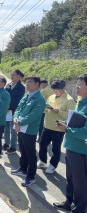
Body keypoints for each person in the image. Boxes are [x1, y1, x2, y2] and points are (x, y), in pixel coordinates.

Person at [53, 74, 87, 213]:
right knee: (70, 179)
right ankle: (69, 202)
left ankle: (79, 209)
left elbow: (85, 131)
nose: (77, 86)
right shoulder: (81, 102)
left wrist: (67, 129)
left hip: (80, 150)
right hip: (71, 147)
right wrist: (65, 124)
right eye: (77, 83)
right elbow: (75, 122)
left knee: (80, 183)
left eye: (80, 84)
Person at [11, 75, 46, 187]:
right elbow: (18, 109)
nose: (27, 84)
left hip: (29, 130)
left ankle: (31, 176)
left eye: (30, 82)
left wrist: (18, 123)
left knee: (30, 153)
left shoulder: (40, 99)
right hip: (20, 128)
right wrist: (15, 118)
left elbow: (33, 116)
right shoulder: (26, 96)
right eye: (26, 82)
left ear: (37, 84)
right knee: (22, 150)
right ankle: (23, 169)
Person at [38, 78, 76, 174]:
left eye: (58, 90)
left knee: (55, 148)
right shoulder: (51, 96)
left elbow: (70, 116)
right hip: (47, 125)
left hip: (58, 128)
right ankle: (42, 160)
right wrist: (45, 108)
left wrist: (58, 111)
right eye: (54, 90)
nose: (55, 92)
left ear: (64, 88)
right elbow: (46, 110)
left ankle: (53, 165)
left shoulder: (69, 100)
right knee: (42, 144)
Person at [3, 69, 25, 154]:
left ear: (19, 76)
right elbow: (5, 96)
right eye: (11, 74)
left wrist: (10, 105)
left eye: (14, 75)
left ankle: (13, 147)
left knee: (13, 129)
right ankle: (6, 143)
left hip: (14, 111)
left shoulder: (21, 87)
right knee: (6, 128)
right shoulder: (8, 85)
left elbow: (18, 99)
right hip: (7, 110)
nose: (12, 76)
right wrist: (5, 105)